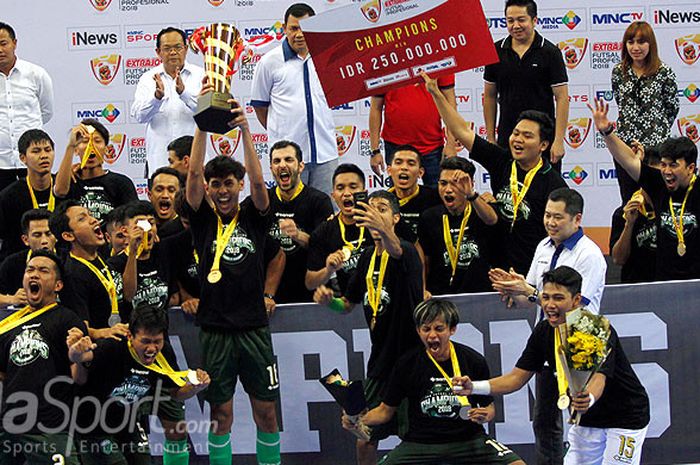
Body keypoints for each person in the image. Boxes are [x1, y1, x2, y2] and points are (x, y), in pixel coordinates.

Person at [459, 266, 650, 465]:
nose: (550, 305)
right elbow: (516, 378)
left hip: (625, 417)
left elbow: (598, 379)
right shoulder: (544, 331)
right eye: (546, 297)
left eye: (558, 298)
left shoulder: (594, 328)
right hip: (587, 421)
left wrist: (589, 398)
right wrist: (474, 387)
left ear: (576, 300)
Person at [185, 86, 281, 465]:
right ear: (209, 190)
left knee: (267, 413)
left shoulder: (255, 217)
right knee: (221, 416)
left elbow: (260, 185)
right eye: (216, 184)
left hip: (254, 327)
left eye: (229, 184)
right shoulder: (203, 220)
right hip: (215, 330)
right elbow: (192, 173)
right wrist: (203, 126)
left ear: (237, 186)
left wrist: (245, 131)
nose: (223, 190)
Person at [489, 187, 606, 465]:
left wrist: (528, 291)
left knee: (583, 417)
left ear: (577, 219)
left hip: (580, 346)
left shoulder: (589, 255)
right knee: (544, 421)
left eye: (557, 217)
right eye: (546, 215)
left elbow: (577, 308)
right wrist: (511, 289)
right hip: (546, 344)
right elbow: (530, 300)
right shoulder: (543, 246)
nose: (550, 222)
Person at [313, 190, 424, 465]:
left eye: (383, 209)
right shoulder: (364, 259)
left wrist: (381, 228)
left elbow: (395, 248)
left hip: (412, 361)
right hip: (381, 362)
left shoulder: (407, 251)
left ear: (396, 218)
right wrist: (330, 302)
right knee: (364, 435)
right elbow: (348, 304)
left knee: (417, 437)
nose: (374, 213)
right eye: (371, 209)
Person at [348, 298, 525, 465]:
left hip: (469, 441)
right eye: (426, 329)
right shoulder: (406, 364)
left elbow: (489, 407)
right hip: (419, 445)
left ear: (452, 329)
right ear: (418, 331)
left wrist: (485, 414)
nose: (432, 336)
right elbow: (385, 411)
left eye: (439, 329)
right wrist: (357, 418)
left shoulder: (473, 360)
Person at [423, 71, 566, 275]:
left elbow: (558, 235)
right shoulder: (502, 160)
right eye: (515, 133)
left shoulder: (554, 184)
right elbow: (462, 131)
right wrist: (436, 93)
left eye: (527, 136)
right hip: (497, 267)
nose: (517, 139)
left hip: (532, 270)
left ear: (543, 145)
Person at [68, 306, 211, 465]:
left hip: (128, 425)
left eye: (157, 341)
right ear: (130, 336)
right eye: (145, 341)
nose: (151, 349)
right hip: (93, 428)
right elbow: (79, 361)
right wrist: (76, 351)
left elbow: (176, 393)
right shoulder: (112, 347)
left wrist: (196, 387)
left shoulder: (164, 354)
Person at [590, 98, 700, 280]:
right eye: (663, 165)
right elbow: (629, 161)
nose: (666, 171)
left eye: (673, 165)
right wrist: (607, 132)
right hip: (664, 283)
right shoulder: (659, 185)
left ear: (690, 167)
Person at [0, 251, 85, 465]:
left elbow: (80, 377)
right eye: (30, 270)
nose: (34, 274)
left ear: (58, 285)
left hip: (50, 428)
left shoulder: (67, 319)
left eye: (43, 270)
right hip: (10, 426)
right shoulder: (8, 326)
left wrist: (78, 356)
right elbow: (3, 374)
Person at [251, 3, 338, 196]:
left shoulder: (327, 57)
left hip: (325, 152)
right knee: (291, 215)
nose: (299, 34)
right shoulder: (269, 62)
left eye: (304, 28)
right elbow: (260, 107)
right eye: (293, 28)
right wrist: (281, 131)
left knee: (327, 215)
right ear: (284, 29)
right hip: (288, 158)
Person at [483, 0, 569, 171]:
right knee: (506, 194)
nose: (516, 25)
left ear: (534, 20)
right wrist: (491, 138)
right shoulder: (496, 51)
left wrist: (558, 140)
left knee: (546, 195)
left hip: (542, 141)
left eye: (521, 20)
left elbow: (562, 98)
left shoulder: (550, 52)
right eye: (510, 21)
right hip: (507, 139)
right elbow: (489, 96)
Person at [611, 21, 679, 203]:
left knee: (657, 200)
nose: (636, 47)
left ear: (651, 44)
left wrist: (656, 130)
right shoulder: (619, 72)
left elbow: (672, 107)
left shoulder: (664, 72)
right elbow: (620, 102)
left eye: (641, 42)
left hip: (656, 149)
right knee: (629, 200)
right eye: (631, 42)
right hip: (626, 148)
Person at [50, 200, 129, 341]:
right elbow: (78, 328)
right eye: (82, 219)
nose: (93, 220)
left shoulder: (101, 254)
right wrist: (104, 332)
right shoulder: (72, 274)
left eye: (90, 215)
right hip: (98, 350)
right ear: (68, 235)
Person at [418, 157, 498, 295]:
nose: (448, 190)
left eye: (455, 183)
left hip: (480, 294)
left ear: (470, 184)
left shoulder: (482, 210)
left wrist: (471, 195)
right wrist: (423, 289)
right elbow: (425, 260)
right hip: (441, 295)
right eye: (443, 183)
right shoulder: (429, 217)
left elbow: (492, 220)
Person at [130, 27, 205, 176]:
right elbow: (139, 116)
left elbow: (209, 113)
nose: (173, 52)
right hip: (159, 162)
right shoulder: (148, 78)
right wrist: (156, 99)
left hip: (194, 164)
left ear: (186, 48)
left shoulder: (201, 75)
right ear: (158, 52)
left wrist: (184, 94)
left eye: (178, 47)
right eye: (167, 48)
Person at [267, 139, 333, 303]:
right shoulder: (264, 201)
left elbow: (326, 250)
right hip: (272, 293)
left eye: (288, 159)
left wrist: (298, 235)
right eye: (277, 161)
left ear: (301, 166)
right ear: (271, 169)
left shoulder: (319, 201)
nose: (282, 165)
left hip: (311, 290)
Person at [369, 77, 457, 187]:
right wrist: (375, 150)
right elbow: (376, 107)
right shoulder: (385, 63)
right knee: (397, 200)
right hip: (395, 146)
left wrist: (451, 144)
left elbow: (450, 104)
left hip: (432, 146)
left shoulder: (438, 61)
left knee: (437, 199)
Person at [0, 22, 54, 191]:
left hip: (33, 164)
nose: (0, 50)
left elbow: (46, 111)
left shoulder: (36, 74)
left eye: (3, 44)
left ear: (14, 43)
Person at [54, 119, 137, 224]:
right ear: (76, 150)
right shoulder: (68, 180)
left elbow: (133, 218)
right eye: (85, 141)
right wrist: (70, 145)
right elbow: (60, 192)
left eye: (97, 141)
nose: (91, 146)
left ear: (106, 149)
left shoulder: (121, 183)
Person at [306, 164, 372, 294]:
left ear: (364, 192)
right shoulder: (323, 231)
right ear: (333, 195)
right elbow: (310, 283)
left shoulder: (377, 224)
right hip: (343, 305)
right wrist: (328, 270)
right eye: (340, 188)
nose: (347, 193)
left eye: (353, 187)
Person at [108, 201, 176, 320]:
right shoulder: (114, 264)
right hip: (133, 334)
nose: (147, 229)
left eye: (151, 223)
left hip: (161, 332)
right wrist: (133, 252)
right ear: (125, 231)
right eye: (139, 225)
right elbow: (129, 296)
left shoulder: (164, 254)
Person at [0, 129, 56, 259]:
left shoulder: (64, 188)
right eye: (36, 151)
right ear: (22, 158)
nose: (43, 156)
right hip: (20, 264)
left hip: (60, 262)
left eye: (48, 150)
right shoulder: (9, 197)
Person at [609, 144, 659, 283]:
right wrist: (629, 224)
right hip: (635, 289)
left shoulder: (675, 209)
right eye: (652, 176)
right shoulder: (624, 213)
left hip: (668, 286)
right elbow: (618, 259)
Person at [385, 145, 441, 243]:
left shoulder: (435, 198)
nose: (404, 168)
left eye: (411, 163)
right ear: (389, 170)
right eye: (398, 163)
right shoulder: (382, 202)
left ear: (420, 172)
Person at [0, 208, 55, 305]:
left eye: (48, 234)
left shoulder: (68, 261)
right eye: (37, 235)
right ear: (26, 240)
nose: (44, 240)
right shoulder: (11, 264)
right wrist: (11, 299)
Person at [148, 166, 185, 237]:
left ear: (180, 195)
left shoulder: (186, 228)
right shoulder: (141, 230)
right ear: (150, 195)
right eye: (159, 190)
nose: (165, 195)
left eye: (171, 190)